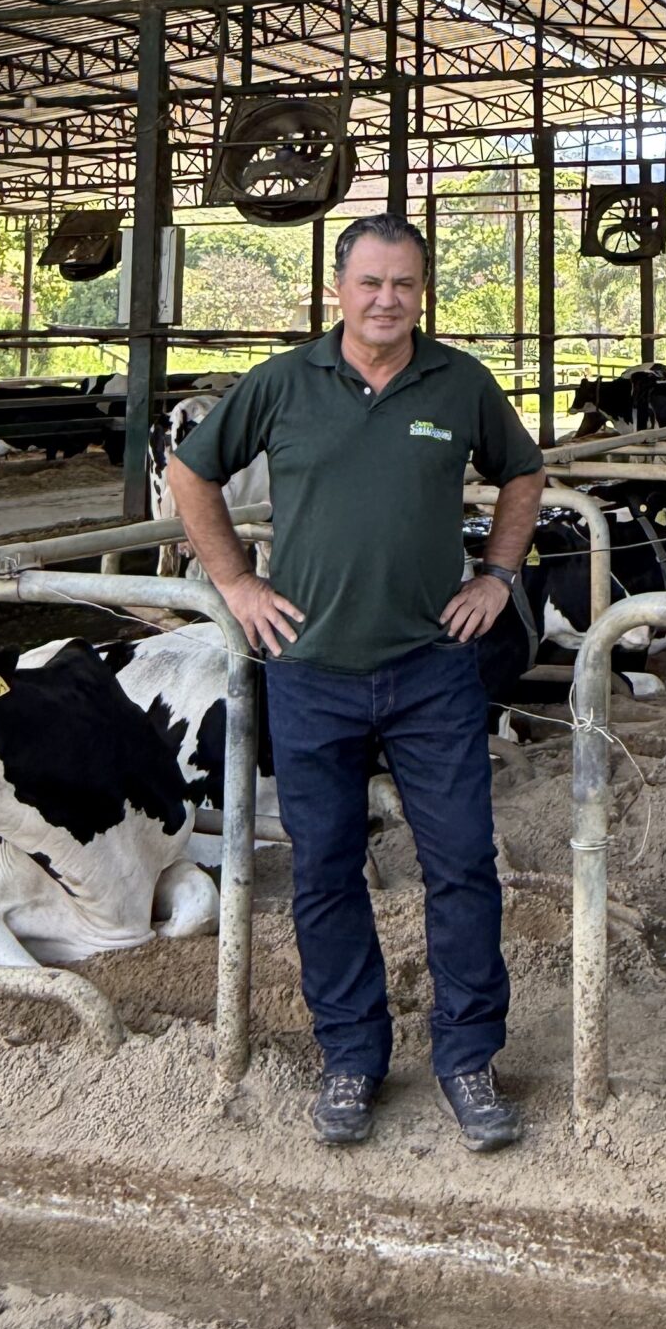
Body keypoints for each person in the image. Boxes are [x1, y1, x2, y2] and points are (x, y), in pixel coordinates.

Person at [167, 212, 544, 1153]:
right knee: (325, 872)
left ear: (423, 292)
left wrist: (497, 576)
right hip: (310, 673)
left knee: (461, 865)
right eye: (371, 282)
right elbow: (189, 472)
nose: (387, 300)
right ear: (338, 288)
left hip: (431, 672)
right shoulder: (283, 383)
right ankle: (351, 1057)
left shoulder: (459, 383)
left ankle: (466, 1058)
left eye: (404, 285)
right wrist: (236, 583)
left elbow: (525, 473)